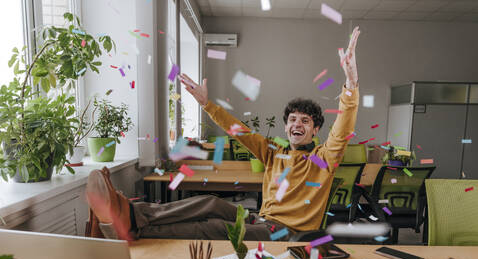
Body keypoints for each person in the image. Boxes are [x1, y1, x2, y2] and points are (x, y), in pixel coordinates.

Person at [85, 26, 361, 241]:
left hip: (285, 233)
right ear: (286, 125)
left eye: (305, 121)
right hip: (261, 219)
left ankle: (135, 231)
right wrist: (207, 105)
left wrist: (350, 85)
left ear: (316, 129)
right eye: (292, 119)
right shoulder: (274, 152)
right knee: (209, 203)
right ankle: (133, 215)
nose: (297, 124)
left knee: (214, 229)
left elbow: (342, 131)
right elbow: (238, 131)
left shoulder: (324, 159)